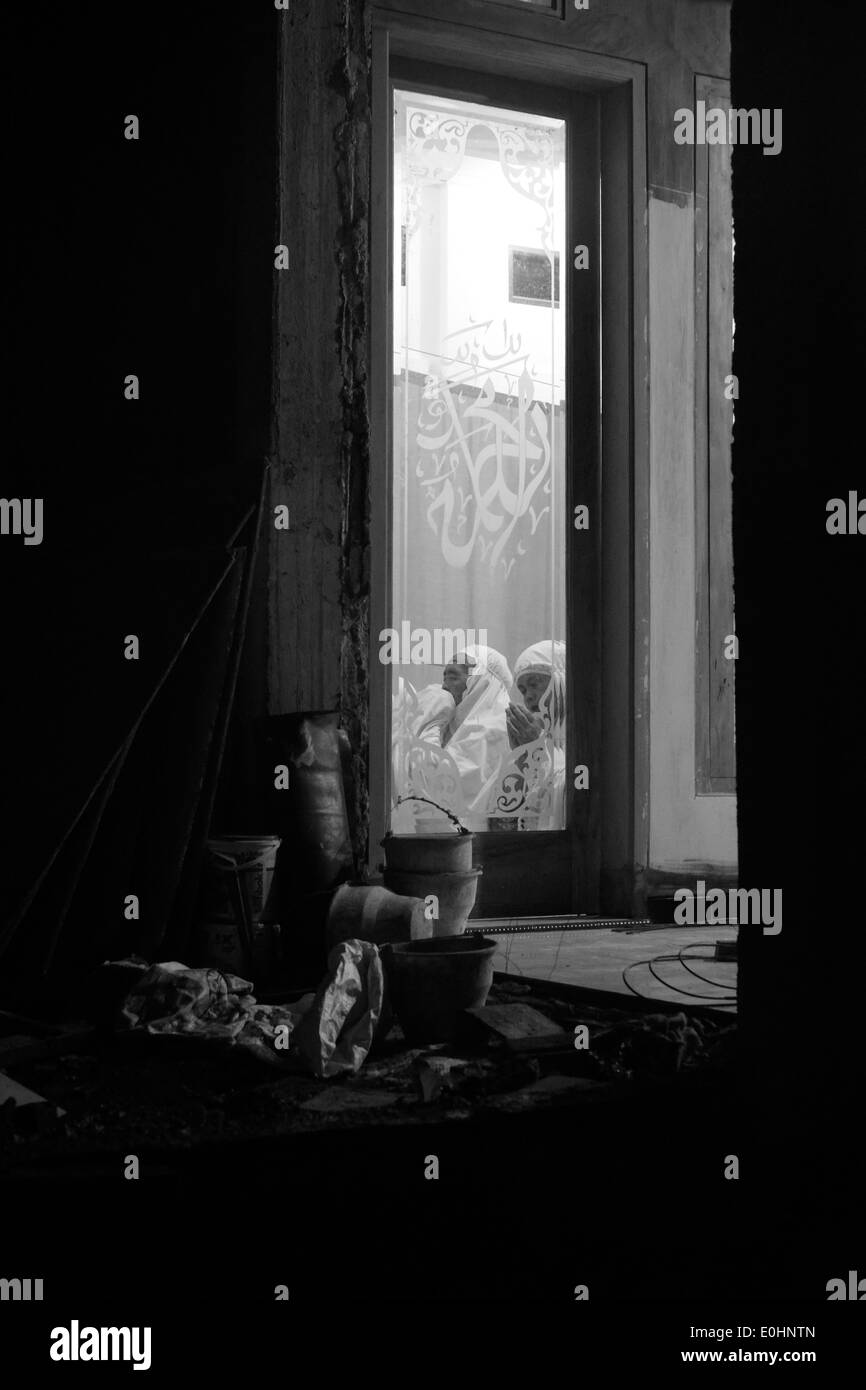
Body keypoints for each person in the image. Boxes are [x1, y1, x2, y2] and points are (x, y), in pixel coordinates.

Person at [498, 639, 567, 830]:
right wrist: (523, 759)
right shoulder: (542, 737)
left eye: (534, 684)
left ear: (562, 680)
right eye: (522, 690)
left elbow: (578, 790)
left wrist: (537, 750)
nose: (528, 696)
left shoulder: (589, 734)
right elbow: (508, 820)